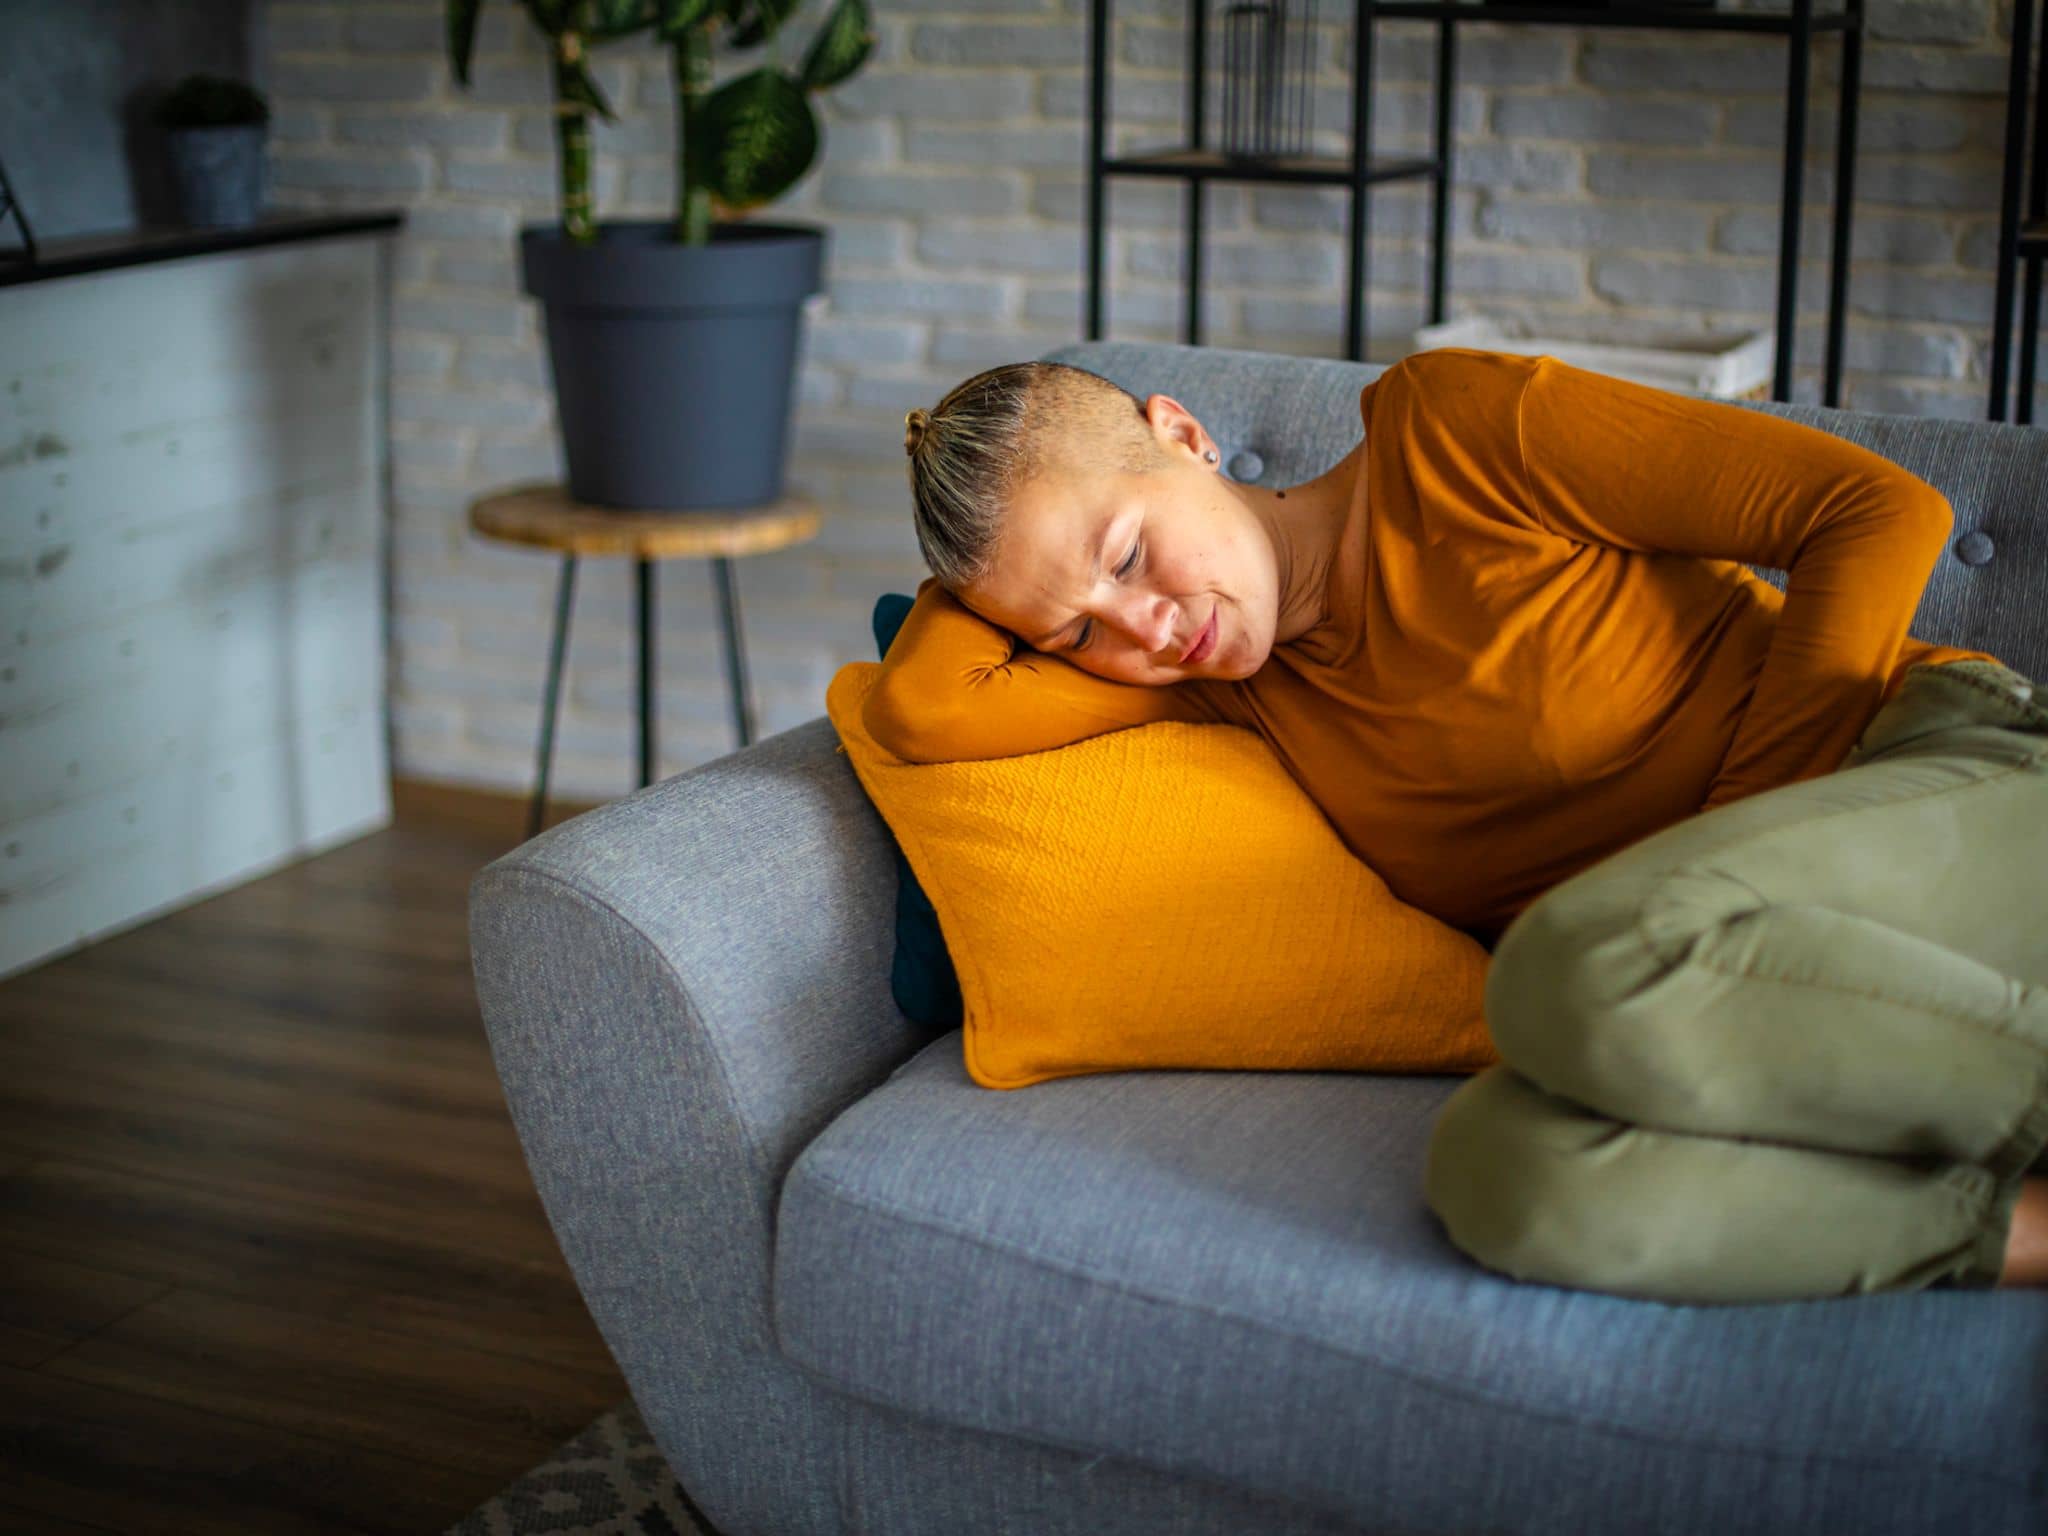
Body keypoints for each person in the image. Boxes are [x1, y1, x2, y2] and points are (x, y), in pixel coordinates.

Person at [869, 346, 2048, 1304]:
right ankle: (2007, 1228)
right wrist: (1003, 564)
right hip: (1718, 971)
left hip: (1929, 776)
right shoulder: (1220, 677)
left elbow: (1876, 509)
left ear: (1181, 434)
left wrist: (1730, 845)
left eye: (1126, 554)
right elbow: (921, 708)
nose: (1138, 629)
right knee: (1498, 1173)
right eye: (1072, 634)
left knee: (1560, 976)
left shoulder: (1453, 431)